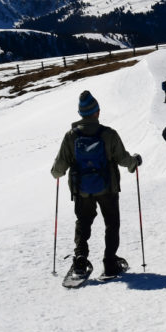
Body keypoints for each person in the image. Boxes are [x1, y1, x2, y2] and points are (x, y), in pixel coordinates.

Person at [50, 91, 142, 278]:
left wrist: (56, 173)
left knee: (83, 222)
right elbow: (123, 159)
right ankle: (109, 263)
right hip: (108, 188)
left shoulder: (71, 136)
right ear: (97, 112)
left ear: (81, 113)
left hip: (81, 189)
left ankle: (81, 260)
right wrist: (135, 162)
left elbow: (58, 168)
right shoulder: (108, 134)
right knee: (111, 223)